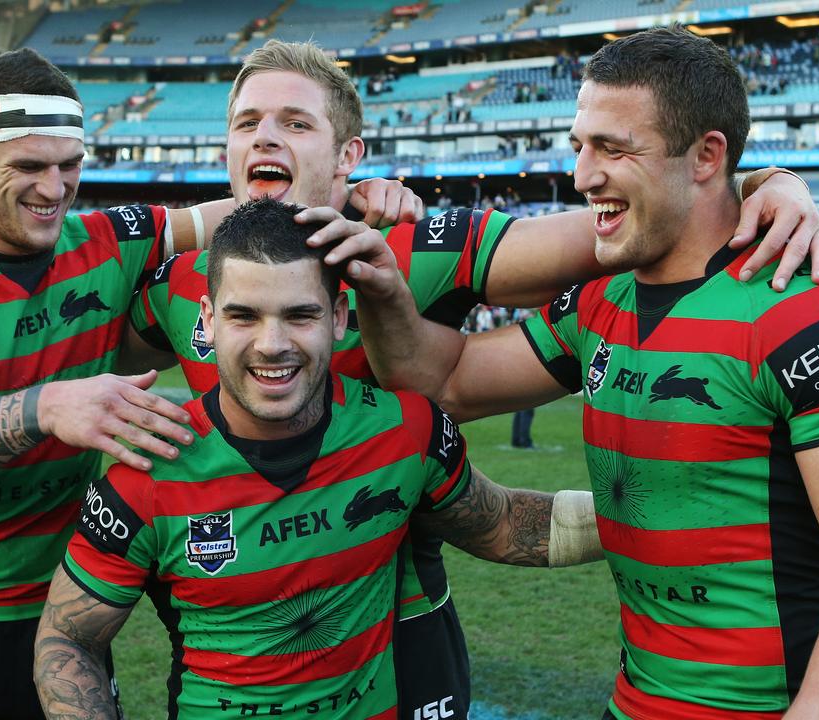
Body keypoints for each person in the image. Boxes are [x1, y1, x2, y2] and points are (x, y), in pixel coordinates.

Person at [351, 26, 819, 720]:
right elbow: (446, 380)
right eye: (580, 145)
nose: (582, 174)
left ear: (706, 156)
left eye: (613, 148)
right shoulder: (602, 300)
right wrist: (382, 287)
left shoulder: (813, 317)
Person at [0, 48, 422, 720]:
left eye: (70, 166)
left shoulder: (112, 241)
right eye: (28, 168)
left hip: (63, 617)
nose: (54, 189)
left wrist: (363, 195)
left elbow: (259, 208)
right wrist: (47, 407)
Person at [32, 198, 605, 719]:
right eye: (243, 316)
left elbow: (503, 525)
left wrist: (666, 516)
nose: (272, 343)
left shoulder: (407, 430)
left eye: (300, 315)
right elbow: (68, 639)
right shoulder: (147, 474)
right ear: (206, 319)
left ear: (338, 316)